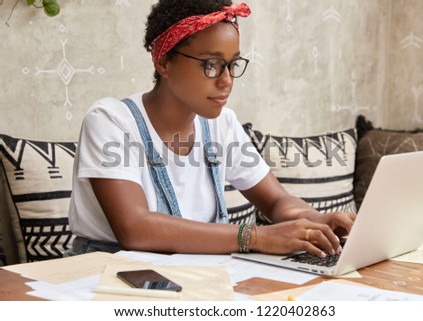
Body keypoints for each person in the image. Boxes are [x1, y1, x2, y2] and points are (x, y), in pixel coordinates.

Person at [65, 0, 355, 258]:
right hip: (110, 276)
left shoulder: (221, 124)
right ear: (164, 62)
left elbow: (276, 199)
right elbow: (136, 228)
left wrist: (314, 221)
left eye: (232, 64)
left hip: (197, 273)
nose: (227, 80)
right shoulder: (110, 121)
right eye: (212, 65)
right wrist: (256, 237)